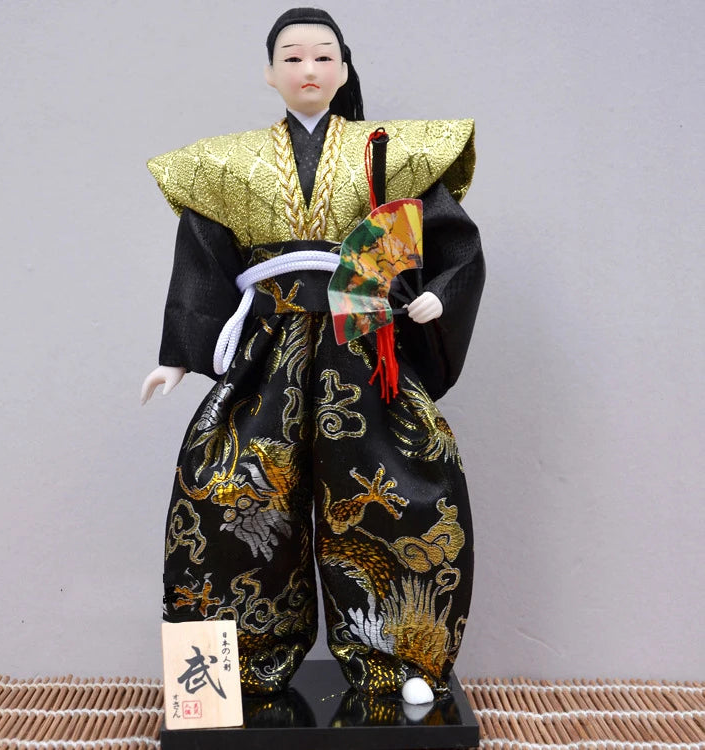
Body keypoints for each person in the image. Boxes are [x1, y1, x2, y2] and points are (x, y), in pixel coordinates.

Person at [142, 7, 484, 705]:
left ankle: (403, 662)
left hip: (363, 342)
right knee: (236, 494)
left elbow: (451, 240)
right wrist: (178, 354)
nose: (309, 69)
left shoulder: (392, 153)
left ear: (344, 69)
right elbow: (203, 259)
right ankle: (234, 669)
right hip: (271, 345)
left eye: (324, 56)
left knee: (400, 493)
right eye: (292, 58)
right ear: (269, 74)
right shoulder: (229, 163)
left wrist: (437, 296)